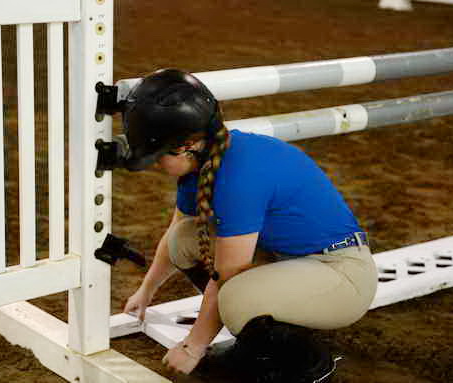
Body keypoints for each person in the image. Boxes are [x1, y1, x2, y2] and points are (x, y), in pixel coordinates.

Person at [121, 68, 378, 382]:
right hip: (294, 262)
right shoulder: (199, 165)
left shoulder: (239, 174)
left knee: (237, 297)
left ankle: (306, 359)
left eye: (157, 156)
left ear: (186, 144)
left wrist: (193, 346)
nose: (156, 165)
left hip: (343, 275)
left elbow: (228, 275)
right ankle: (265, 332)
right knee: (182, 240)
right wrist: (146, 291)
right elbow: (176, 236)